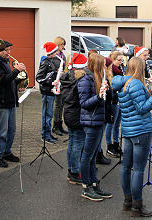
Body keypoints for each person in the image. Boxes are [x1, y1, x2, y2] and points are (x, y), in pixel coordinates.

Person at [111, 56, 152, 217]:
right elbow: (142, 108)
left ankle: (127, 202)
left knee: (126, 167)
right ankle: (137, 206)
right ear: (139, 68)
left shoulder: (124, 82)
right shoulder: (135, 83)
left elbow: (136, 103)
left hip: (129, 129)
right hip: (140, 130)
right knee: (138, 169)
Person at [77, 53, 112, 202]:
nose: (105, 66)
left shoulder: (98, 78)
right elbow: (84, 103)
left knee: (92, 156)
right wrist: (98, 96)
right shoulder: (85, 79)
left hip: (98, 120)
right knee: (87, 155)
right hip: (90, 121)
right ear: (97, 65)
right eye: (103, 64)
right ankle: (86, 187)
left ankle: (94, 182)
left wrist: (106, 91)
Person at [0, 40, 26, 168]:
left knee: (11, 130)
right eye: (6, 50)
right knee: (1, 130)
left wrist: (18, 83)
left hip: (10, 100)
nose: (9, 53)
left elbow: (9, 79)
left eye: (10, 50)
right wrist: (16, 71)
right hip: (1, 101)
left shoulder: (5, 61)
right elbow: (1, 80)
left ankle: (6, 151)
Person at [60, 53, 87, 185]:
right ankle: (75, 172)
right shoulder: (78, 80)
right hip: (77, 115)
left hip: (68, 114)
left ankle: (71, 170)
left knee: (71, 143)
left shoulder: (66, 78)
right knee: (77, 143)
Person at [36, 42, 62, 144]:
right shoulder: (45, 62)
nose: (57, 53)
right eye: (55, 51)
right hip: (47, 91)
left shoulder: (52, 61)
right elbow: (39, 78)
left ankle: (48, 133)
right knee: (47, 114)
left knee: (49, 114)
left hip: (51, 91)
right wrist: (51, 82)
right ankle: (45, 135)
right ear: (52, 52)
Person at [105, 51, 126, 158]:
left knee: (117, 124)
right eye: (119, 60)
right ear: (113, 60)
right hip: (113, 100)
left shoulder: (121, 70)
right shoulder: (110, 71)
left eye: (122, 60)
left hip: (120, 99)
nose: (121, 62)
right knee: (111, 124)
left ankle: (116, 143)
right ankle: (109, 145)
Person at [52, 36, 69, 136]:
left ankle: (60, 124)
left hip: (63, 82)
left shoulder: (63, 55)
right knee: (58, 105)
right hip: (56, 82)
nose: (63, 46)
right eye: (62, 44)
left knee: (62, 104)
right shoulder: (55, 56)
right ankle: (55, 126)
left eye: (64, 44)